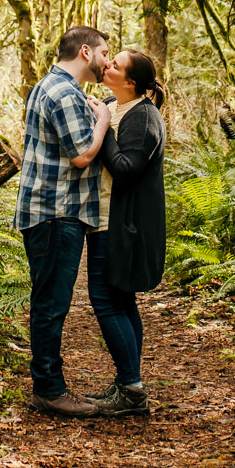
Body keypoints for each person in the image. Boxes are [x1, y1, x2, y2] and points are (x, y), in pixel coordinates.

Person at [15, 25, 112, 417]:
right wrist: (103, 118)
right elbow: (82, 155)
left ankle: (49, 385)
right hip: (56, 213)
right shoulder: (65, 93)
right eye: (105, 52)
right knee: (51, 303)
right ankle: (49, 390)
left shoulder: (49, 86)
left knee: (48, 300)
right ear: (86, 52)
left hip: (48, 211)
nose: (108, 61)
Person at [86, 49, 167, 416]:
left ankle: (132, 390)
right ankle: (127, 382)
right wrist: (101, 114)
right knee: (121, 301)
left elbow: (124, 167)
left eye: (115, 66)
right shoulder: (114, 105)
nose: (107, 66)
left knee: (106, 302)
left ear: (131, 82)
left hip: (120, 225)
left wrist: (103, 127)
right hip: (103, 218)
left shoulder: (144, 117)